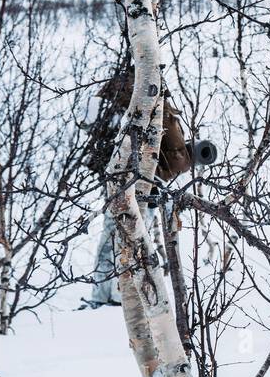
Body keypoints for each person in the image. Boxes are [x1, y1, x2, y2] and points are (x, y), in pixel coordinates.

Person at [80, 57, 193, 309]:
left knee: (112, 235)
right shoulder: (153, 99)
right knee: (133, 239)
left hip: (115, 177)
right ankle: (122, 295)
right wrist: (187, 157)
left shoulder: (115, 91)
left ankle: (103, 294)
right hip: (146, 182)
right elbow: (175, 152)